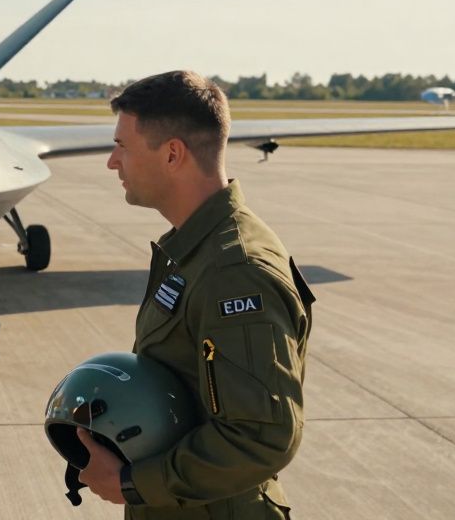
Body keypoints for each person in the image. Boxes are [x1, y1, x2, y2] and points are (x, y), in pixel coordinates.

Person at [78, 70, 315, 519]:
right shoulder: (195, 249)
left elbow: (261, 438)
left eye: (122, 146)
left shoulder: (235, 272)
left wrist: (131, 483)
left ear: (172, 154)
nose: (112, 162)